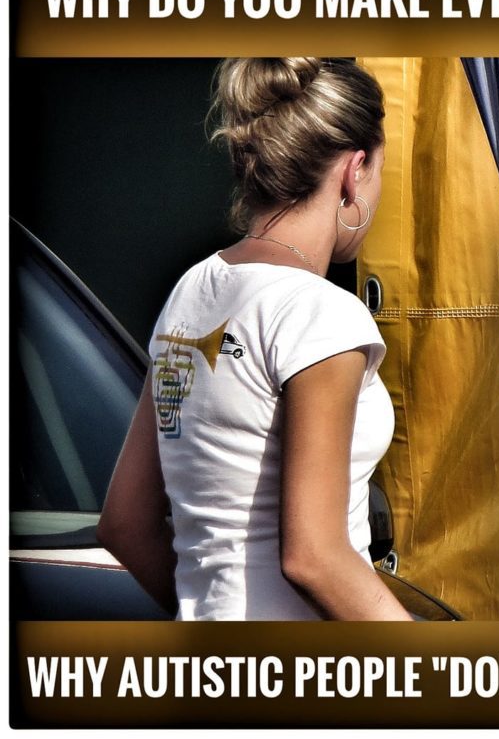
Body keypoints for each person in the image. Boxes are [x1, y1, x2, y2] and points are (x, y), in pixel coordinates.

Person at [98, 58, 411, 620]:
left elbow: (123, 523)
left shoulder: (193, 288)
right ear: (354, 171)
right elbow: (314, 557)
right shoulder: (323, 313)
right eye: (381, 170)